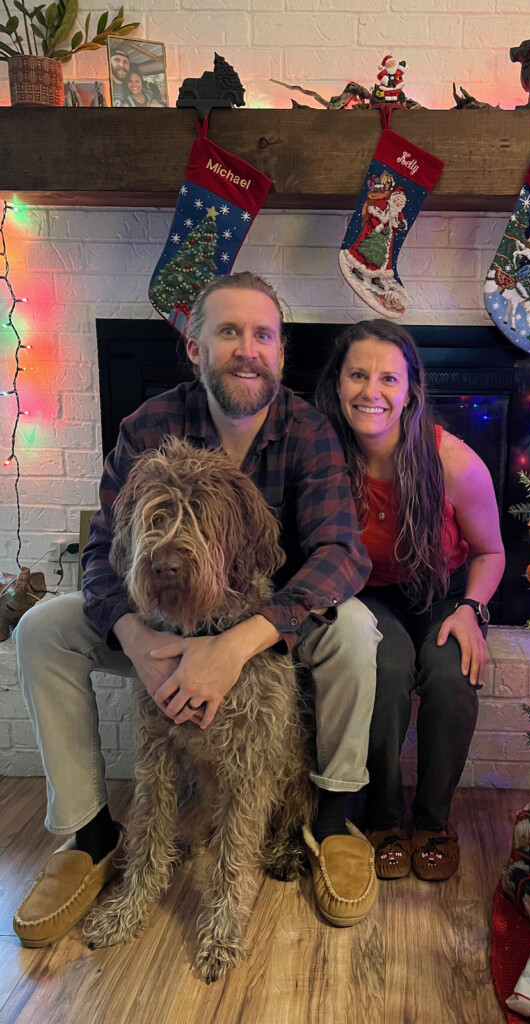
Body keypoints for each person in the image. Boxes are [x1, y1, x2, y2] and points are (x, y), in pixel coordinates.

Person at [12, 273, 381, 947]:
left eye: (262, 335)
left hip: (266, 630)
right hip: (155, 627)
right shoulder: (148, 427)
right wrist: (135, 642)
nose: (247, 349)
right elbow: (102, 554)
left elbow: (342, 556)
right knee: (41, 628)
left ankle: (330, 820)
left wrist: (237, 644)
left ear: (280, 351)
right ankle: (91, 837)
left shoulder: (308, 432)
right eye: (228, 332)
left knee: (356, 627)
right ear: (194, 345)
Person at [315, 320, 505, 881]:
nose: (371, 391)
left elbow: (490, 552)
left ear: (410, 390)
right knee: (385, 665)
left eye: (387, 378)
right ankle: (383, 816)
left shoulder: (453, 462)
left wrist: (471, 610)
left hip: (442, 591)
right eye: (357, 374)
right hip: (364, 594)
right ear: (338, 383)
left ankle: (433, 820)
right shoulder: (322, 457)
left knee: (450, 674)